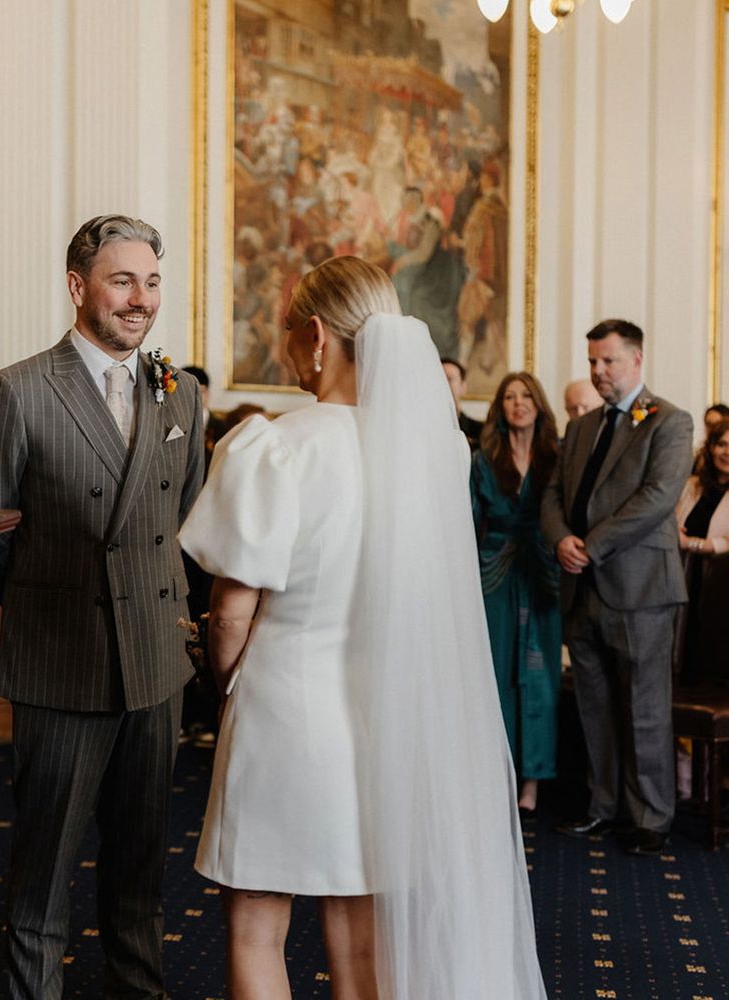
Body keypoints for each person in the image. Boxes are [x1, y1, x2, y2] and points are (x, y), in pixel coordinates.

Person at [179, 256, 545, 999]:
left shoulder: (273, 445)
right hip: (390, 719)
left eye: (287, 331)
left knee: (257, 924)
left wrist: (228, 676)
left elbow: (232, 609)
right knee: (361, 931)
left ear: (315, 336)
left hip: (286, 705)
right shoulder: (435, 452)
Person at [0, 214, 205, 999]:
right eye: (123, 280)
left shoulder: (182, 394)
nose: (142, 299)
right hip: (64, 670)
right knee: (42, 883)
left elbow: (185, 528)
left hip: (156, 671)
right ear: (79, 287)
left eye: (153, 281)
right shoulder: (21, 390)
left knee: (140, 879)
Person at [541, 318, 693, 857]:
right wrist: (560, 538)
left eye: (607, 361)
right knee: (596, 706)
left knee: (645, 707)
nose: (598, 371)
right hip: (582, 587)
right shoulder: (581, 427)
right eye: (591, 363)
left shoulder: (670, 421)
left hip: (640, 588)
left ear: (636, 359)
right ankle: (602, 807)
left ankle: (650, 818)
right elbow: (555, 492)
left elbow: (657, 498)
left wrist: (591, 545)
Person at [471, 373, 561, 816]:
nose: (518, 403)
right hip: (493, 574)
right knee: (496, 676)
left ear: (539, 404)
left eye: (526, 396)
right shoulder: (483, 458)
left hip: (543, 572)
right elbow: (468, 523)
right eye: (509, 397)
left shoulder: (556, 457)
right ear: (500, 407)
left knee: (540, 678)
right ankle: (495, 775)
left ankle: (533, 782)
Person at [675, 417, 729, 684]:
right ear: (710, 448)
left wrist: (694, 544)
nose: (727, 452)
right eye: (721, 444)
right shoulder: (690, 486)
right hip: (684, 576)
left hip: (720, 587)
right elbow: (670, 520)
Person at [442, 356, 483, 448]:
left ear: (463, 387)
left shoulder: (480, 432)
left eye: (449, 379)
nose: (443, 384)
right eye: (439, 379)